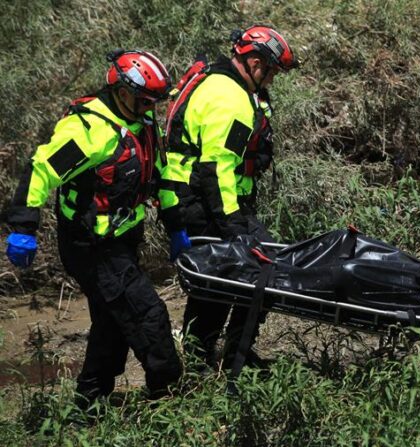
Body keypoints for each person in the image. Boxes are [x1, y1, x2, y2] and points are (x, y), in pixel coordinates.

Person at [4, 50, 187, 406]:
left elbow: (161, 175)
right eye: (144, 99)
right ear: (121, 90)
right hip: (92, 245)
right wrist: (23, 226)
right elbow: (41, 169)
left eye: (154, 101)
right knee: (148, 314)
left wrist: (176, 226)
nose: (150, 107)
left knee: (112, 320)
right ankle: (170, 397)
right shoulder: (89, 130)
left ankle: (89, 401)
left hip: (122, 240)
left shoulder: (141, 121)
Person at [159, 25, 298, 369]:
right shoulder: (230, 97)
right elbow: (216, 167)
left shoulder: (222, 83)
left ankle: (231, 353)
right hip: (200, 201)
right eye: (272, 73)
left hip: (201, 198)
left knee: (235, 277)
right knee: (222, 283)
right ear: (253, 62)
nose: (272, 81)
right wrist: (234, 225)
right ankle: (205, 360)